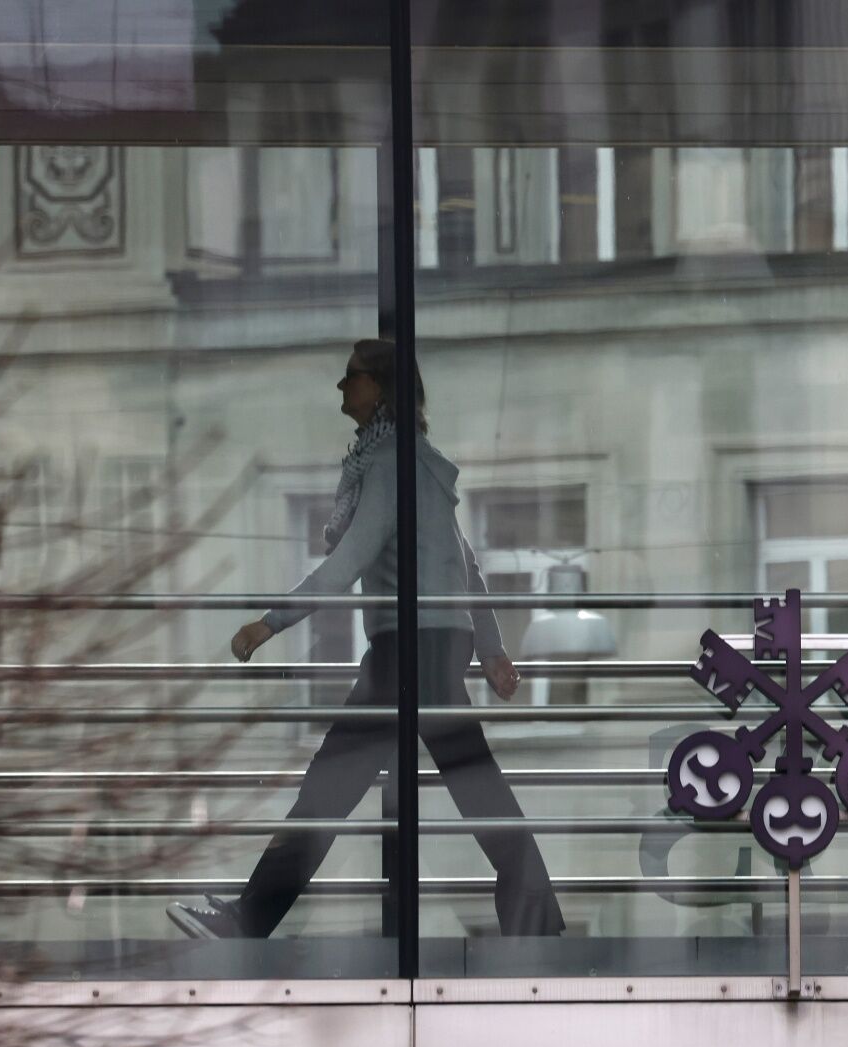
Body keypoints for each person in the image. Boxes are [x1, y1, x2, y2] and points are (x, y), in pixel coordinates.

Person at [168, 339, 564, 939]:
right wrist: (489, 648)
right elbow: (464, 562)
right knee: (470, 784)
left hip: (409, 649)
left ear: (379, 388)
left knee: (332, 785)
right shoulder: (414, 462)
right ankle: (537, 917)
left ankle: (248, 921)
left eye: (351, 376)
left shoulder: (389, 463)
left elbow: (351, 557)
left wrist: (269, 622)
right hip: (430, 646)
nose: (341, 385)